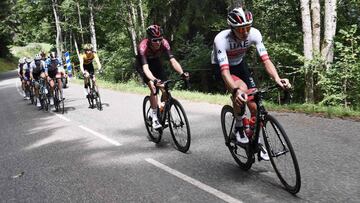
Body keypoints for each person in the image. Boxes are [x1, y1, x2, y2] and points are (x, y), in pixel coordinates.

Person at [212, 7, 291, 160]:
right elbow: (225, 72)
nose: (245, 32)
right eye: (241, 29)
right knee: (241, 90)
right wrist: (235, 91)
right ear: (232, 28)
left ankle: (256, 140)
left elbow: (266, 60)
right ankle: (239, 127)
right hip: (222, 68)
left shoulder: (254, 34)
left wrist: (277, 78)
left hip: (240, 64)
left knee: (254, 105)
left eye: (248, 27)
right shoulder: (221, 40)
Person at [137, 24, 189, 130]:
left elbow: (173, 61)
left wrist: (182, 73)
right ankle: (155, 116)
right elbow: (146, 69)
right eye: (154, 40)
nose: (158, 42)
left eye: (159, 39)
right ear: (149, 39)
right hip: (143, 65)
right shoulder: (143, 47)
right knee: (153, 87)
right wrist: (154, 80)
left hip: (156, 62)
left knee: (165, 88)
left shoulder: (164, 43)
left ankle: (163, 112)